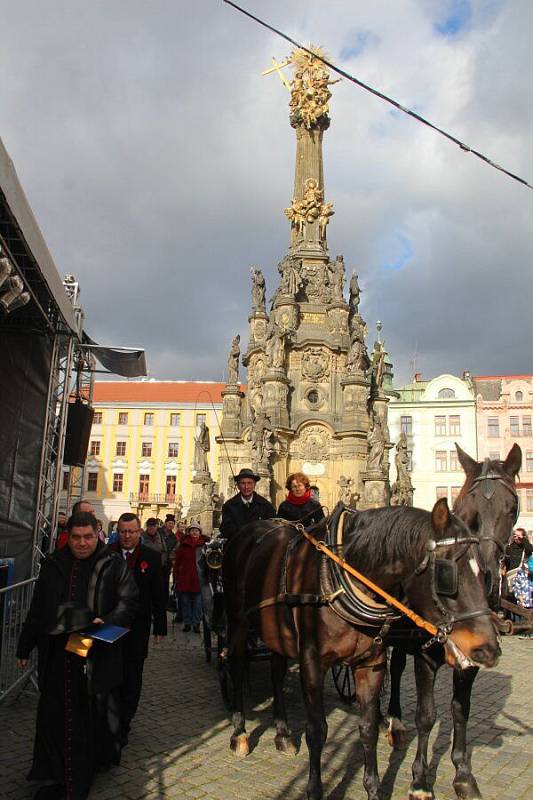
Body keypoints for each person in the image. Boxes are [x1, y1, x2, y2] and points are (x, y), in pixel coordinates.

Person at [16, 512, 138, 800]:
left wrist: (106, 620)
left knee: (89, 718)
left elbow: (129, 601)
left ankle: (84, 771)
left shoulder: (113, 564)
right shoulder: (53, 564)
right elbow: (38, 607)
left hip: (95, 656)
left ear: (97, 533)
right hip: (57, 655)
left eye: (87, 537)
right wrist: (25, 645)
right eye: (75, 538)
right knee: (55, 716)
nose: (82, 544)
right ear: (67, 537)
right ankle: (54, 772)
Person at [111, 513, 167, 744]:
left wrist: (160, 626)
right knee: (112, 675)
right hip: (110, 626)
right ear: (118, 532)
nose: (127, 536)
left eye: (131, 532)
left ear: (139, 533)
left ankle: (124, 723)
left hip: (138, 626)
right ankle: (110, 721)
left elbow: (159, 593)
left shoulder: (152, 557)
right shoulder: (107, 555)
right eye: (123, 532)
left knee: (133, 677)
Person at [219, 468, 276, 542]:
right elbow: (225, 529)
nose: (246, 487)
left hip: (259, 547)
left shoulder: (265, 505)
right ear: (238, 486)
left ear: (254, 485)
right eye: (243, 483)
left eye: (249, 483)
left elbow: (272, 527)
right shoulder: (229, 506)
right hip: (237, 546)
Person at [172, 522, 208, 633]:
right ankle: (187, 623)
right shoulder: (183, 544)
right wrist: (175, 577)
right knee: (185, 602)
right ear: (189, 532)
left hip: (199, 579)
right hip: (185, 578)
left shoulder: (205, 545)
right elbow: (177, 562)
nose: (194, 532)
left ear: (200, 532)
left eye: (196, 530)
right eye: (192, 530)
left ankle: (196, 623)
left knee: (198, 604)